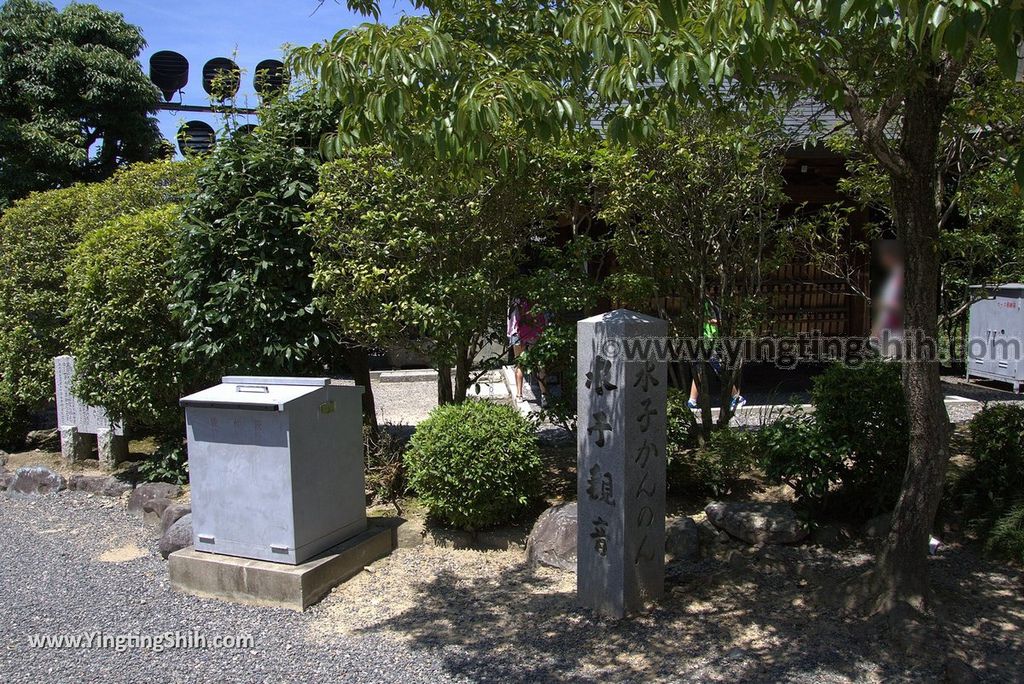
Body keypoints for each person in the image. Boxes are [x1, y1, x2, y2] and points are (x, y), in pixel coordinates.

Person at [688, 296, 745, 411]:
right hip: (705, 341)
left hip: (711, 342)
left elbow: (719, 322)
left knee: (718, 370)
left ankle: (736, 397)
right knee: (699, 369)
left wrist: (707, 320)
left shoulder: (711, 304)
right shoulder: (700, 302)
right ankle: (692, 401)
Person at [507, 296, 549, 407]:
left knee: (520, 363)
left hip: (518, 334)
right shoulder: (538, 297)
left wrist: (511, 334)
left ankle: (519, 395)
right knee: (540, 363)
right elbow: (544, 317)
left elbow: (511, 318)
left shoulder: (516, 300)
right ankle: (544, 395)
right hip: (536, 332)